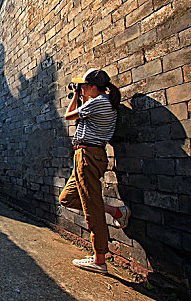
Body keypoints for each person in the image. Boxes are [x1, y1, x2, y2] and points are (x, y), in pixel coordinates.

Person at [59, 68, 130, 274]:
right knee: (67, 198)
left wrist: (75, 97)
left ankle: (99, 259)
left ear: (91, 87)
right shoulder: (103, 101)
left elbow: (69, 116)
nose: (80, 88)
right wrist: (80, 96)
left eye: (82, 85)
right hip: (88, 155)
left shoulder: (99, 101)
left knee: (91, 207)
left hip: (88, 156)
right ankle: (115, 211)